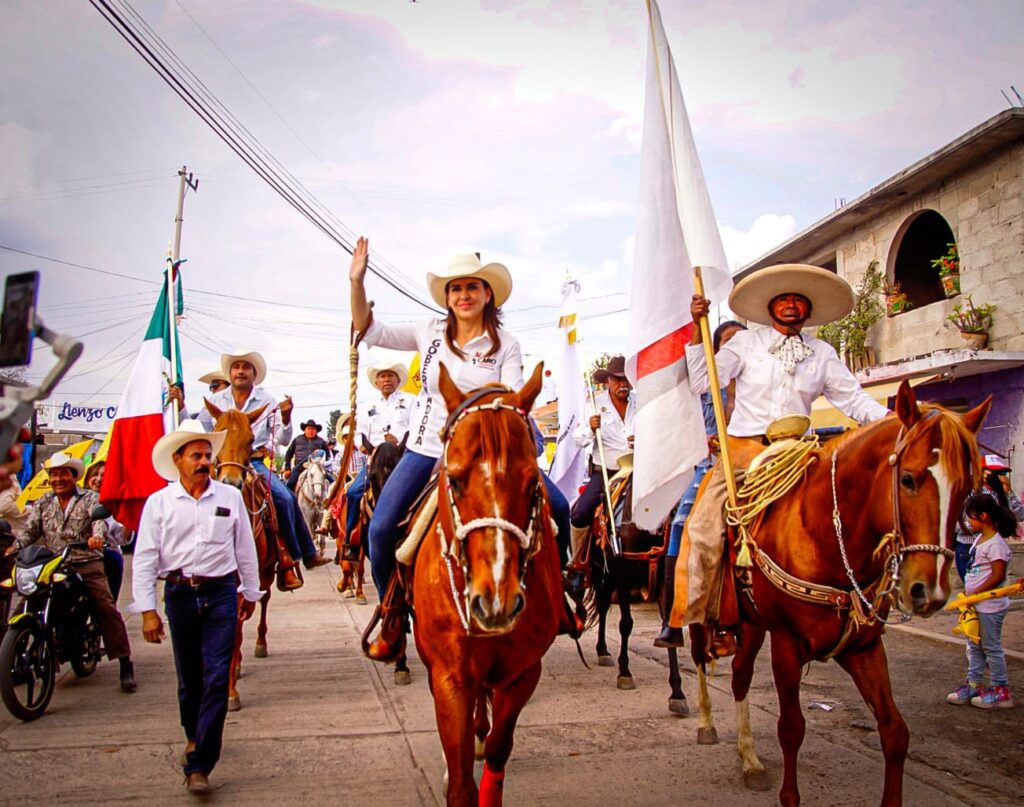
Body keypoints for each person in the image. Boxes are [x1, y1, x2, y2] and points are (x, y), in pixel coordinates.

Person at [348, 237, 573, 660]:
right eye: (455, 288)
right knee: (379, 531)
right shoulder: (427, 332)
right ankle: (392, 614)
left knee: (558, 509)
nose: (463, 295)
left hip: (485, 452)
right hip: (427, 448)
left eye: (472, 287)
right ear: (447, 297)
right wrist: (356, 282)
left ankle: (557, 601)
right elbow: (369, 329)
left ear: (488, 294)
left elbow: (507, 398)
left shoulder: (505, 344)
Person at [666, 263, 890, 644]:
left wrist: (896, 420)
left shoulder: (821, 352)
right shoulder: (744, 343)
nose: (790, 305)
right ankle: (700, 615)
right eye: (783, 299)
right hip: (742, 450)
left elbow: (852, 399)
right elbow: (704, 381)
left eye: (797, 300)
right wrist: (694, 331)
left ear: (808, 309)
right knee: (702, 526)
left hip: (799, 451)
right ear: (770, 308)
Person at [132, 420, 264, 794]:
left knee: (218, 677)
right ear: (178, 461)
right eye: (197, 456)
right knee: (189, 678)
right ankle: (193, 734)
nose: (205, 461)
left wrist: (250, 592)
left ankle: (201, 762)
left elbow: (244, 548)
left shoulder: (230, 496)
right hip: (179, 595)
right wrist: (147, 609)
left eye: (208, 455)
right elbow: (144, 557)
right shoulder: (158, 503)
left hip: (221, 592)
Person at [194, 350, 331, 581]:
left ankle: (295, 557)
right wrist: (178, 409)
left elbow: (282, 439)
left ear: (254, 374)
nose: (240, 371)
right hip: (219, 462)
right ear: (230, 372)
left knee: (285, 498)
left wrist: (287, 419)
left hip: (253, 461)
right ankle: (188, 560)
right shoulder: (216, 401)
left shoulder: (267, 401)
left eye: (245, 367)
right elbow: (197, 429)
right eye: (236, 367)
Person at [6, 452, 136, 692]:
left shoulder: (90, 498)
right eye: (54, 474)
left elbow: (98, 523)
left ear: (74, 476)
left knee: (105, 606)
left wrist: (97, 538)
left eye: (63, 474)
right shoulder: (43, 502)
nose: (58, 479)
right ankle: (15, 660)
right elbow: (30, 531)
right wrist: (16, 547)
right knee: (25, 603)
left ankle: (124, 662)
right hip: (54, 564)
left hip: (86, 561)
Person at [654, 320, 745, 647]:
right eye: (728, 341)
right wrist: (702, 438)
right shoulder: (709, 383)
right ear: (718, 350)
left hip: (756, 458)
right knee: (682, 524)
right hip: (711, 463)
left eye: (742, 339)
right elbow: (685, 421)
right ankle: (673, 617)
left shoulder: (761, 375)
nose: (738, 345)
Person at [567, 355, 635, 588]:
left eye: (626, 379)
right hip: (606, 472)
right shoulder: (594, 403)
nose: (623, 384)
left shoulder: (641, 403)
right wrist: (590, 428)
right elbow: (577, 440)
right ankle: (578, 565)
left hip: (638, 469)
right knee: (580, 513)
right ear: (608, 381)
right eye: (618, 380)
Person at [946, 492, 1017, 710]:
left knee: (991, 648)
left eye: (971, 517)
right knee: (974, 645)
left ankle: (1000, 689)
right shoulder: (980, 539)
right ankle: (974, 683)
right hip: (976, 605)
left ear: (984, 516)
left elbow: (997, 575)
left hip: (990, 606)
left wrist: (977, 593)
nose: (968, 522)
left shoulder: (996, 544)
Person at [340, 361, 413, 543]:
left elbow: (418, 428)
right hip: (374, 460)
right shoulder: (366, 406)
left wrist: (398, 440)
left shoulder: (412, 401)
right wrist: (361, 445)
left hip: (403, 459)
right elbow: (358, 433)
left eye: (390, 376)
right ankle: (351, 540)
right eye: (382, 376)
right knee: (353, 493)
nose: (386, 379)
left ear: (398, 380)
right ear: (377, 382)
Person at [953, 454, 1024, 583]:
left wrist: (1009, 492)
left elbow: (1020, 515)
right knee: (976, 589)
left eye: (1002, 473)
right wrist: (985, 525)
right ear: (982, 473)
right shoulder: (968, 492)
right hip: (969, 547)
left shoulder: (1000, 492)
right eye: (995, 473)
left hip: (992, 546)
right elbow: (956, 525)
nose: (1000, 477)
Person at [82, 460, 127, 601]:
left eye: (104, 476)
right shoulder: (75, 499)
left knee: (113, 558)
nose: (98, 479)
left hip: (104, 555)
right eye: (95, 475)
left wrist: (130, 519)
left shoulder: (114, 505)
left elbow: (121, 539)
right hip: (74, 555)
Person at [284, 419, 331, 493]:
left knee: (332, 482)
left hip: (317, 468)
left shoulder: (321, 442)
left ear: (316, 431)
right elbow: (288, 454)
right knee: (289, 485)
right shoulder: (297, 439)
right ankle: (287, 503)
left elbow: (328, 457)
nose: (311, 431)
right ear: (305, 430)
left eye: (313, 429)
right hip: (299, 468)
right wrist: (287, 469)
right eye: (308, 428)